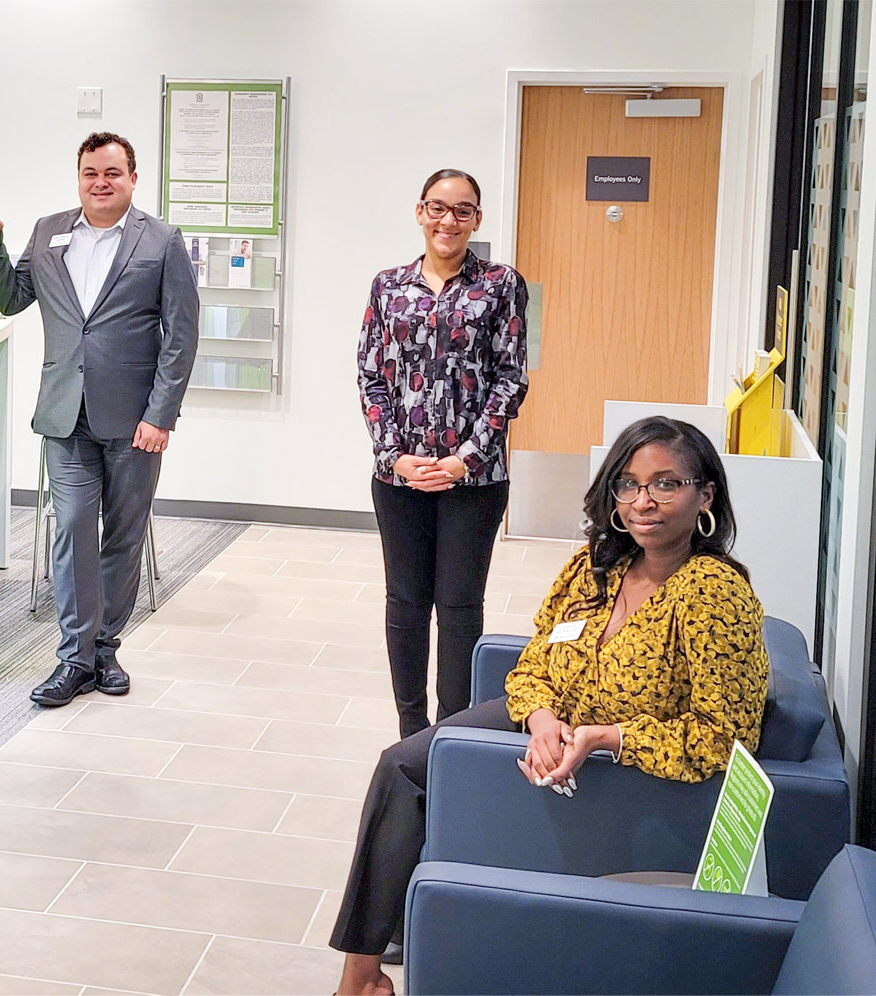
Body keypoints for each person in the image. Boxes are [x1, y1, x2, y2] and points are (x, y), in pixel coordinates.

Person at [329, 416, 769, 996]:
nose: (645, 501)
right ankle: (361, 976)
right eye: (629, 484)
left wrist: (604, 737)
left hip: (615, 763)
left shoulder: (714, 593)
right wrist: (542, 720)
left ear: (704, 495)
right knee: (402, 764)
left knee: (418, 768)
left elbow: (727, 735)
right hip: (541, 724)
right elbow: (535, 661)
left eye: (666, 484)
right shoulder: (596, 566)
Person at [0, 132, 199, 707]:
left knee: (122, 532)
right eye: (90, 171)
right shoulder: (48, 231)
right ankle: (73, 656)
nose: (100, 181)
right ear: (79, 176)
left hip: (134, 419)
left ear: (133, 179)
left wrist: (160, 414)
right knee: (70, 529)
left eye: (112, 172)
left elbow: (181, 335)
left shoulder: (162, 241)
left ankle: (106, 649)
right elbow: (13, 298)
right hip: (66, 413)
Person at [359, 168, 530, 739]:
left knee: (459, 608)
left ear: (476, 219)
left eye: (461, 211)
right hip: (401, 477)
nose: (447, 220)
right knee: (405, 604)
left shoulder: (502, 285)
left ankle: (451, 732)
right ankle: (410, 732)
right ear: (419, 212)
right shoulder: (388, 286)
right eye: (437, 208)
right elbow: (370, 376)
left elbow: (511, 380)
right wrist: (395, 457)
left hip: (475, 482)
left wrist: (466, 459)